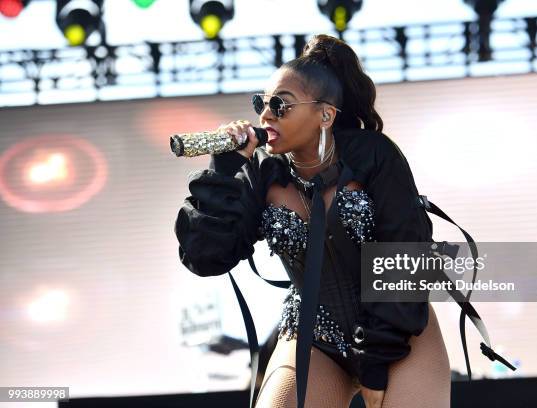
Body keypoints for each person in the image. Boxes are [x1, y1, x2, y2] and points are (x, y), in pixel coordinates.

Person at [174, 34, 450, 408]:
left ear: (325, 114)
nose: (266, 115)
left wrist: (375, 363)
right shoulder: (262, 174)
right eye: (262, 104)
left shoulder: (374, 156)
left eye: (280, 105)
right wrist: (226, 167)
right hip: (311, 333)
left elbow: (404, 256)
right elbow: (206, 256)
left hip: (399, 332)